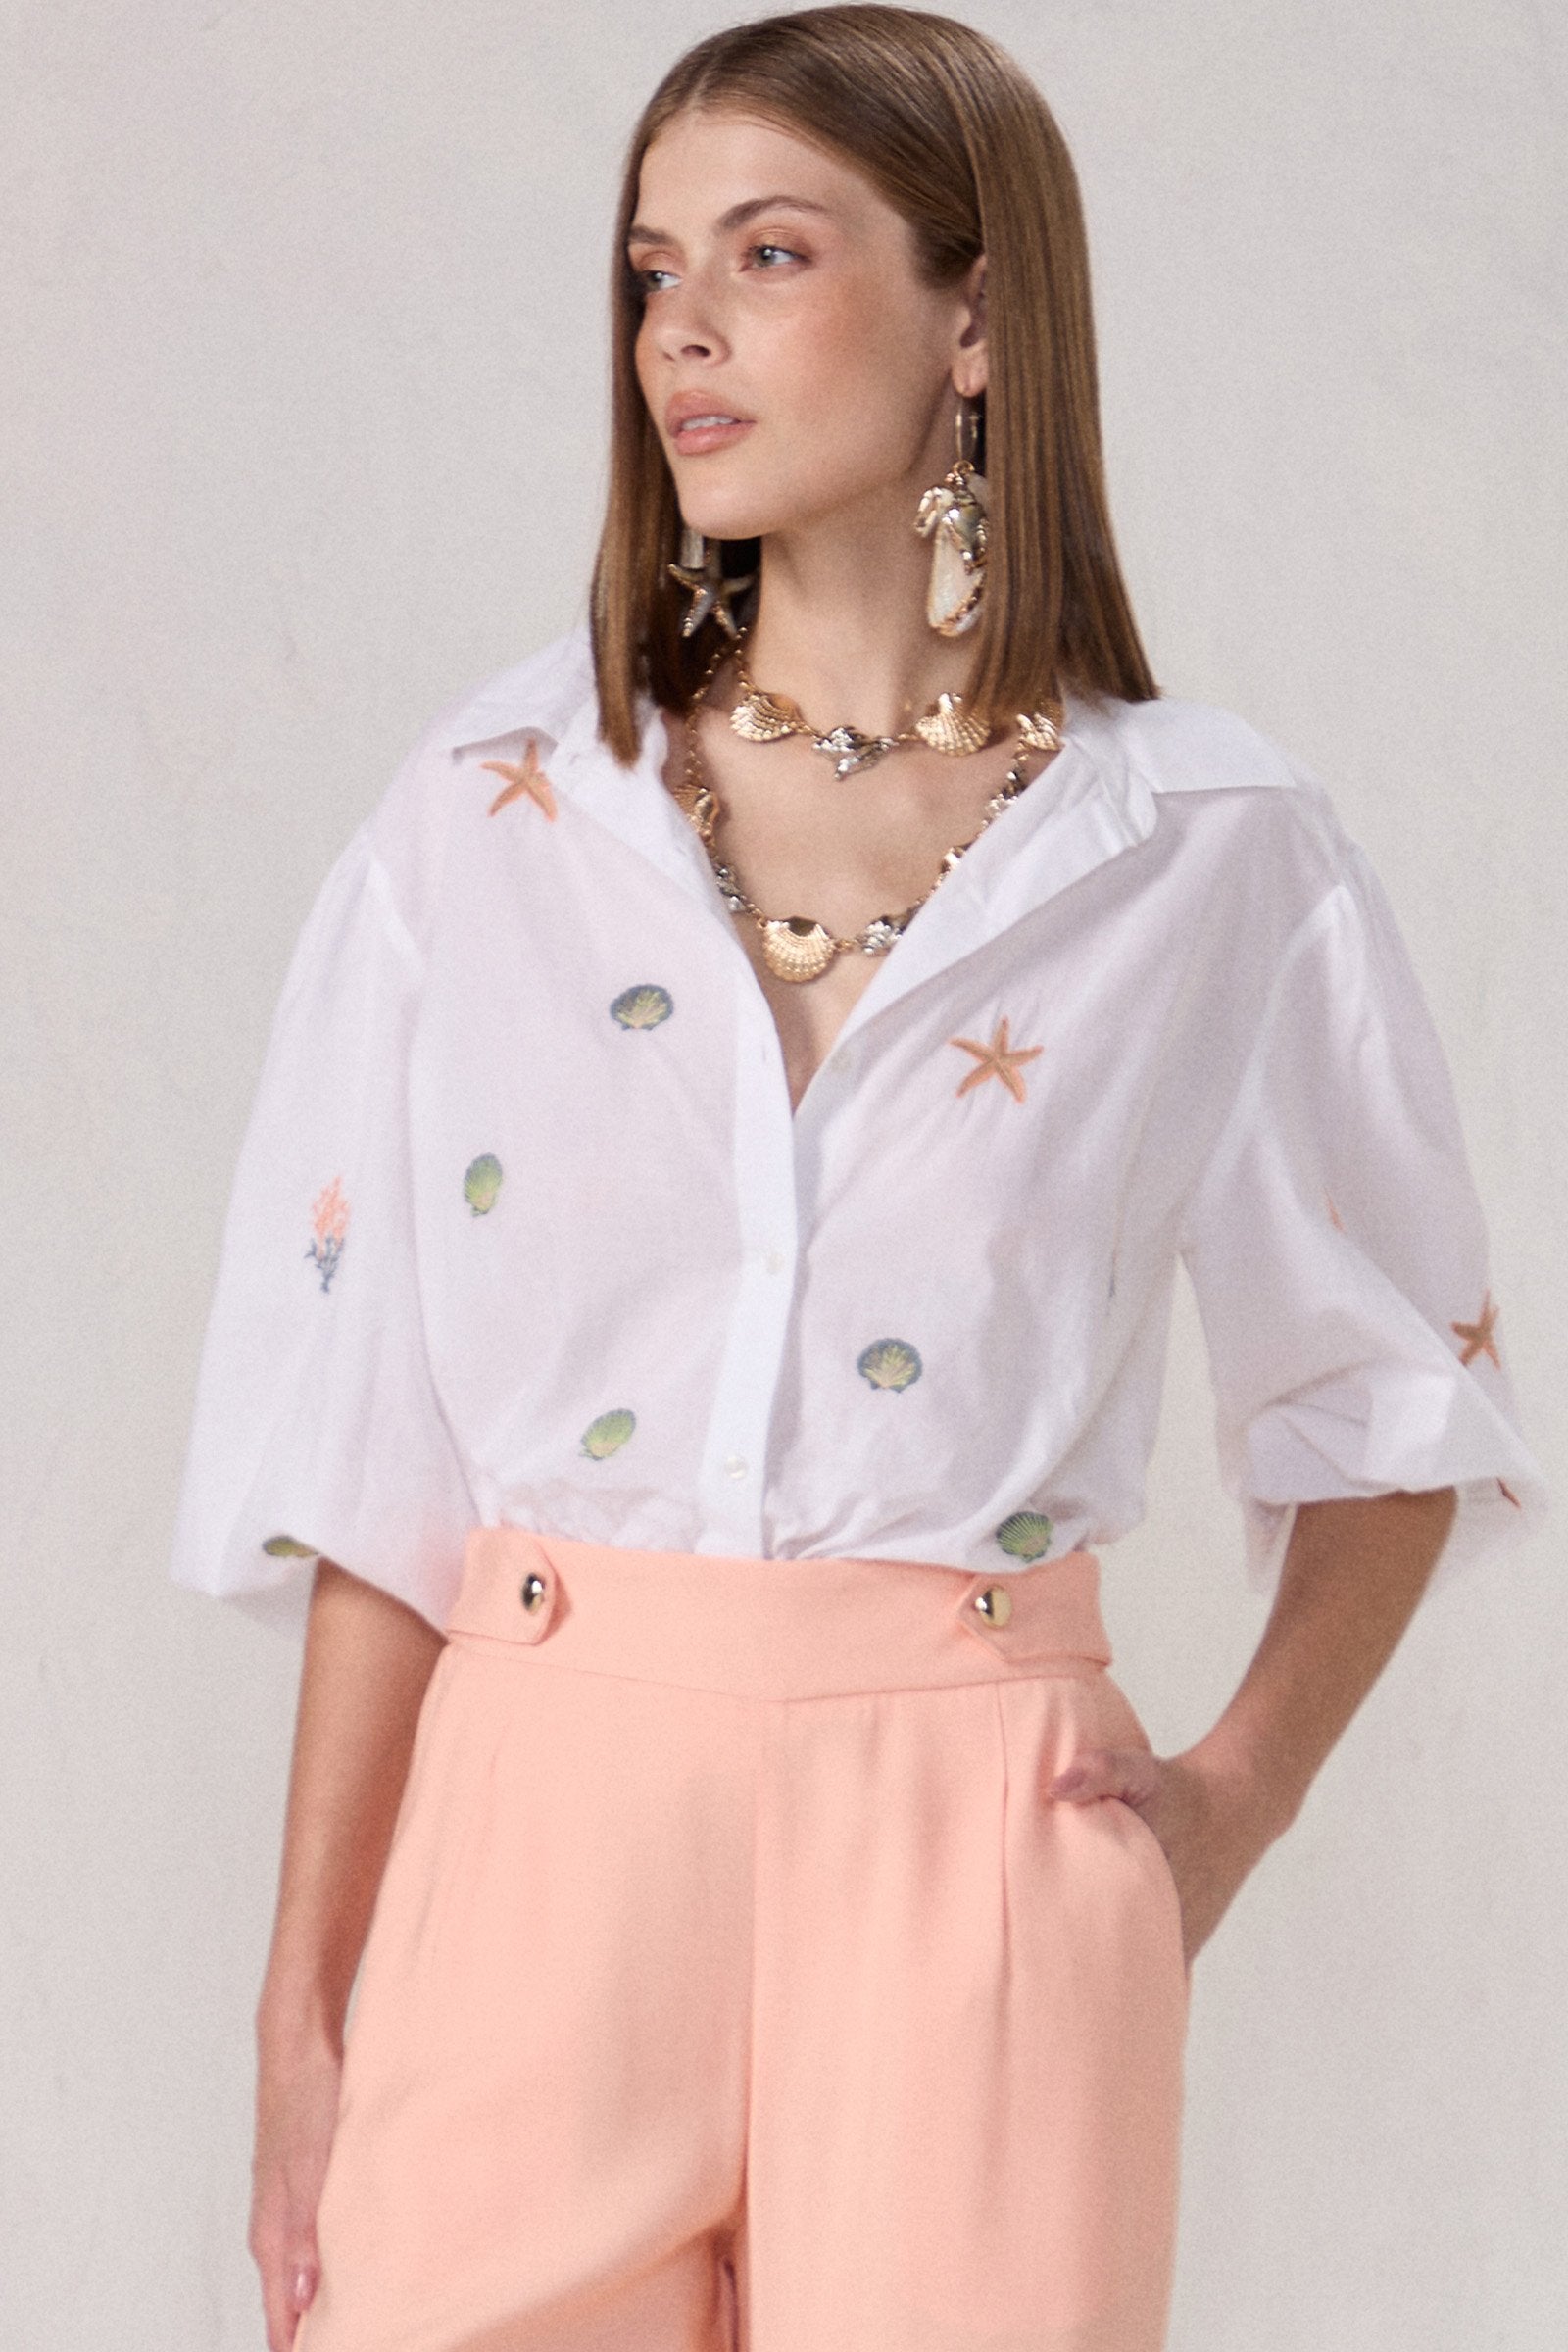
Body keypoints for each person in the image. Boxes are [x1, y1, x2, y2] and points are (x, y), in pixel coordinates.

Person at [168, 10, 1547, 2351]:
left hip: (971, 1841)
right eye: (649, 270)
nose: (677, 330)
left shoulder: (1202, 853)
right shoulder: (492, 813)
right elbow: (377, 1456)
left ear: (974, 320)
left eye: (769, 254)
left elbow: (1391, 1402)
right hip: (534, 1825)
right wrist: (300, 2014)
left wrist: (1225, 1806)